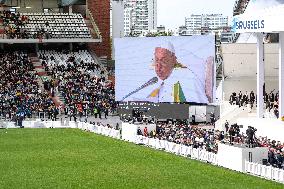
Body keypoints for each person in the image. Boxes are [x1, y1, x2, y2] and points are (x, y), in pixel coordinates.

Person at [123, 41, 213, 103]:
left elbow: (196, 105)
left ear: (173, 60)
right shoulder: (159, 80)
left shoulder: (187, 78)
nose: (158, 66)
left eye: (163, 61)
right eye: (156, 60)